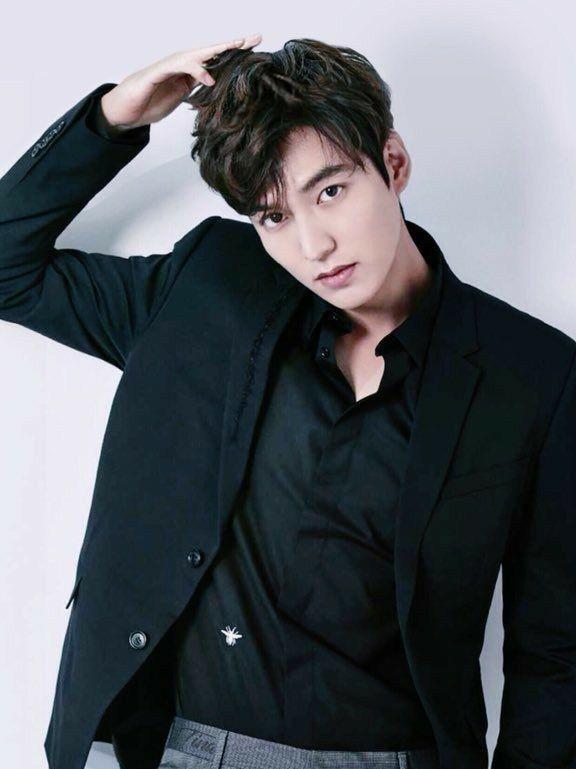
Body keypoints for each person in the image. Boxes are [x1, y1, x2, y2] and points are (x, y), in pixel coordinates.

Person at [1, 34, 575, 769]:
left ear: (393, 164)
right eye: (274, 217)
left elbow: (554, 653)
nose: (315, 246)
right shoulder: (209, 290)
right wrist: (114, 117)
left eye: (330, 192)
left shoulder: (531, 374)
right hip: (186, 750)